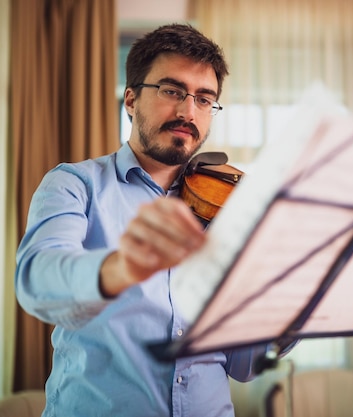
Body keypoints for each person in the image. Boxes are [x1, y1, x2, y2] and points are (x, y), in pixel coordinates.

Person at [16, 23, 278, 417]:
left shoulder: (230, 209)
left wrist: (293, 302)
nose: (189, 111)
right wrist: (119, 267)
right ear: (131, 99)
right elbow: (38, 281)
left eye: (205, 99)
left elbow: (245, 364)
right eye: (172, 91)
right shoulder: (74, 184)